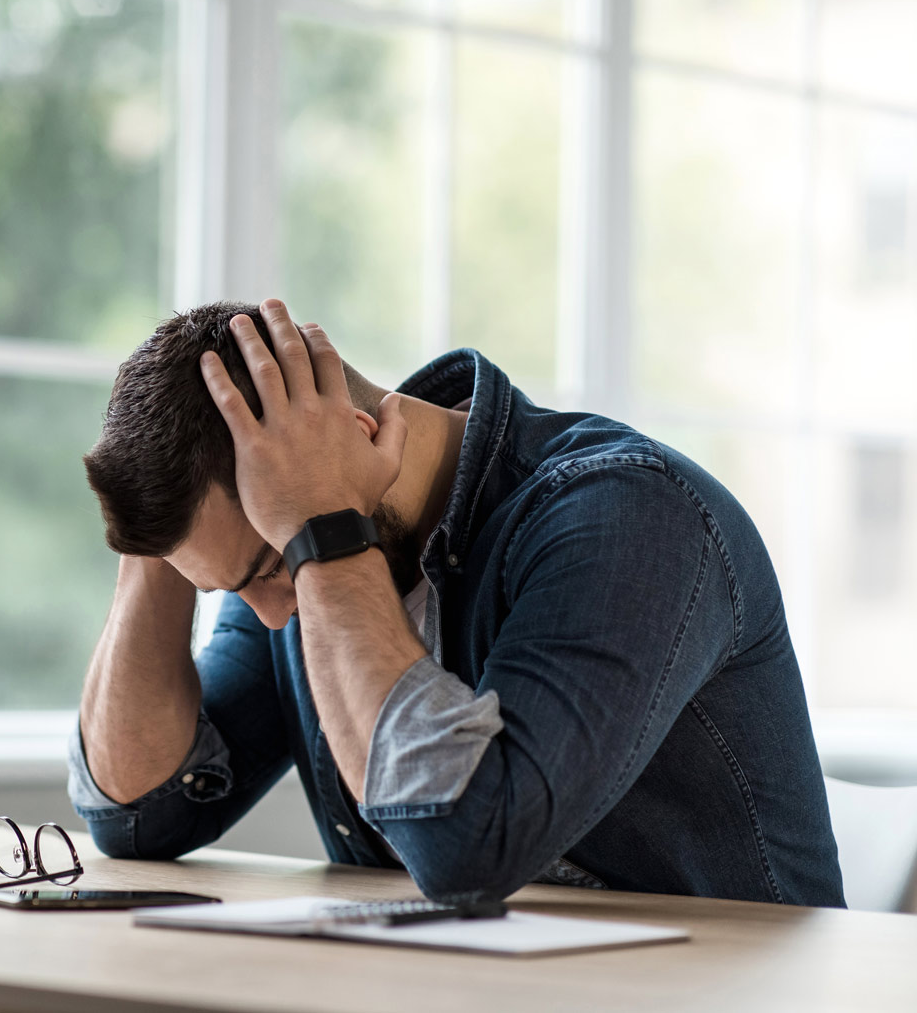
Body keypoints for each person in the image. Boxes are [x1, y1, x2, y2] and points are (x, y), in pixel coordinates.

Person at [68, 299, 844, 907]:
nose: (273, 613)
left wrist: (322, 532)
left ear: (364, 432)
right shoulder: (287, 559)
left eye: (269, 567)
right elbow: (140, 813)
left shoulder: (630, 514)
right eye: (236, 585)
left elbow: (471, 845)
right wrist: (155, 524)